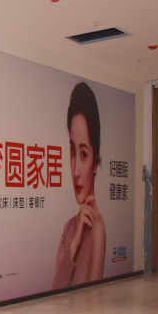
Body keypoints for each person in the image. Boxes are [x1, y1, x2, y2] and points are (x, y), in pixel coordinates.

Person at [52, 82, 106, 290]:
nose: (75, 171)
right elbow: (54, 292)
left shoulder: (97, 228)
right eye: (73, 152)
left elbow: (93, 297)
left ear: (96, 162)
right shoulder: (69, 228)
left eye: (83, 154)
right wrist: (74, 243)